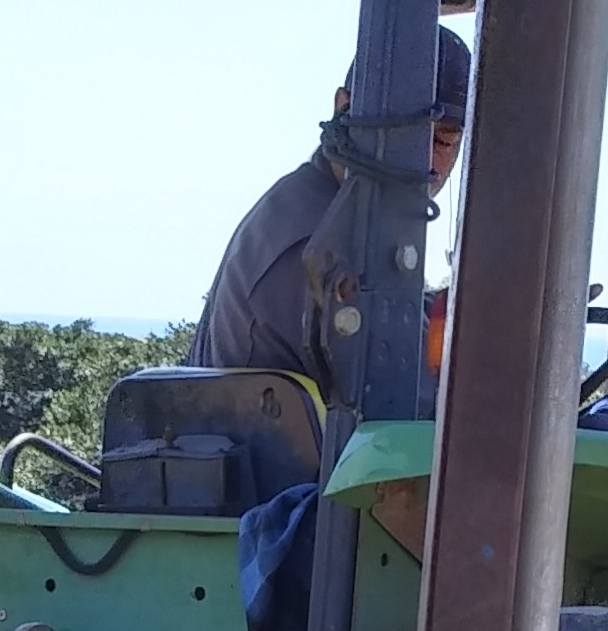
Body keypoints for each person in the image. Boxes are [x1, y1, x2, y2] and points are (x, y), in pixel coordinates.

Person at [192, 25, 472, 388]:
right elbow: (419, 416)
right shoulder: (322, 246)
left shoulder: (327, 210)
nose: (426, 163)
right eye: (407, 136)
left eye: (444, 142)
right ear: (344, 108)